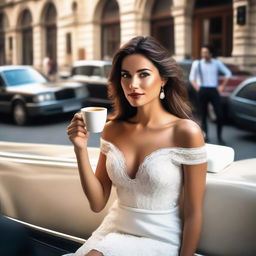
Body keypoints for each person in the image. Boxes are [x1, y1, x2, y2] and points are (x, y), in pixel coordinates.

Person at [66, 36, 207, 256]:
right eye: (126, 75)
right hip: (111, 231)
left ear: (163, 79)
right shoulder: (112, 129)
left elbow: (194, 213)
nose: (132, 85)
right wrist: (80, 149)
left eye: (143, 74)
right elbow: (97, 203)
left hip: (160, 237)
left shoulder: (185, 132)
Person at [189, 45, 231, 144]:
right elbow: (192, 78)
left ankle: (219, 137)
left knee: (219, 115)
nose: (203, 54)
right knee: (203, 115)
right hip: (202, 89)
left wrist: (222, 86)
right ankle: (206, 137)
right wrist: (197, 88)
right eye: (202, 52)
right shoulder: (197, 63)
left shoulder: (216, 63)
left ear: (211, 54)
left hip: (213, 90)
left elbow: (228, 73)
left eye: (206, 52)